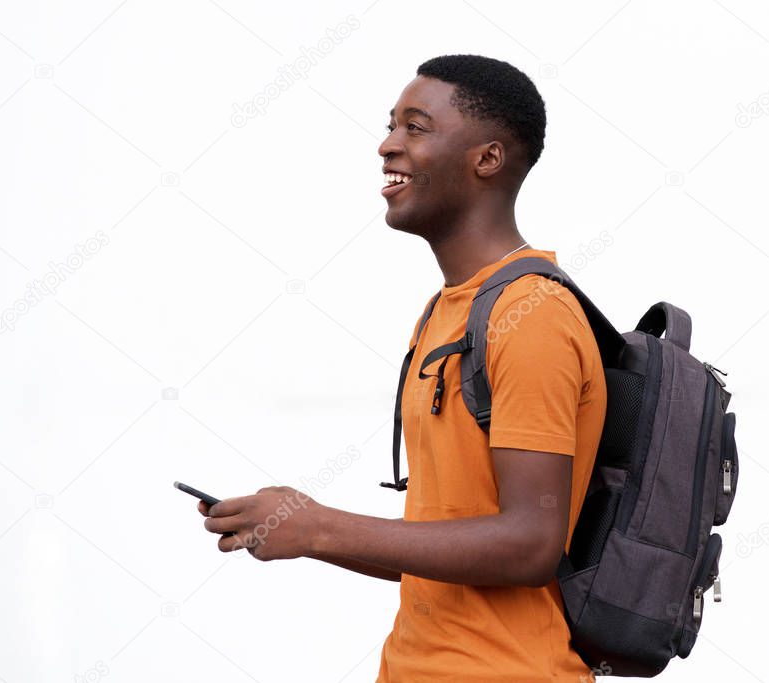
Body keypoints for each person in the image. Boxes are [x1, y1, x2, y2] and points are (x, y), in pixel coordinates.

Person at [198, 54, 608, 682]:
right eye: (391, 126)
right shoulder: (448, 312)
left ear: (487, 159)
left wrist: (318, 530)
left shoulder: (533, 315)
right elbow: (447, 541)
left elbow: (529, 544)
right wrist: (300, 517)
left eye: (416, 127)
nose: (388, 145)